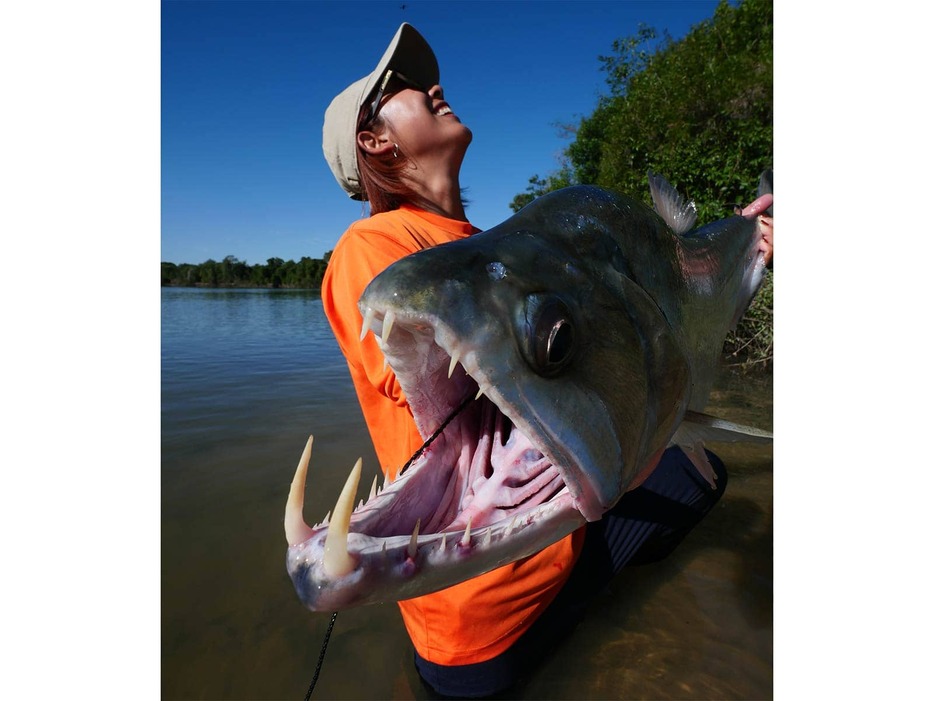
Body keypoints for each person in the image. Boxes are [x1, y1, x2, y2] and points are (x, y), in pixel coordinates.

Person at [320, 23, 773, 698]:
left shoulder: (483, 244)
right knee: (690, 471)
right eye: (405, 87)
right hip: (478, 620)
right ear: (373, 140)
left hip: (557, 548)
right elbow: (444, 364)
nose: (433, 87)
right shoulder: (375, 246)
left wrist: (741, 243)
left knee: (703, 471)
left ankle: (606, 600)